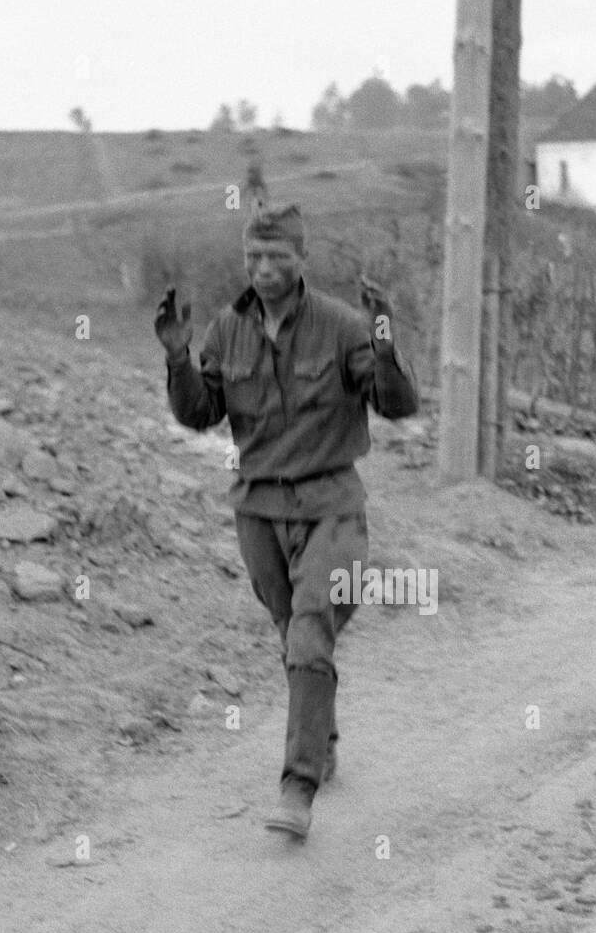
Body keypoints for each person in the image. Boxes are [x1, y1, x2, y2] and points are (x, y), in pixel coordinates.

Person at [155, 203, 418, 838]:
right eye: (254, 258)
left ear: (302, 260)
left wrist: (383, 347)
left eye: (278, 257)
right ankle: (321, 737)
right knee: (291, 631)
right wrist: (177, 357)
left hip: (331, 506)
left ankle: (296, 788)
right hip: (259, 511)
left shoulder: (342, 325)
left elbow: (399, 405)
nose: (264, 269)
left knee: (308, 632)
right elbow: (200, 415)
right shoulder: (227, 328)